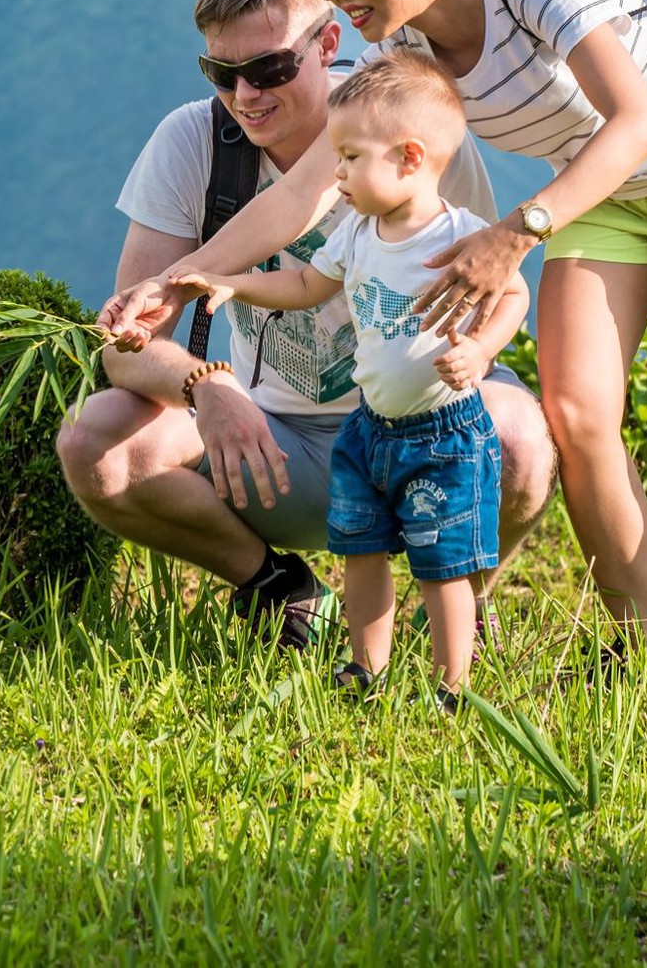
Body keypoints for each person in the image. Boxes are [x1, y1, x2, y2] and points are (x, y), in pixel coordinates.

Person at [103, 0, 647, 702]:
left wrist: (518, 232)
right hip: (600, 189)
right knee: (575, 411)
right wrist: (184, 277)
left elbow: (638, 124)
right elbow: (305, 193)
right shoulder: (405, 49)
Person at [56, 0, 555, 650]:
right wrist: (207, 387)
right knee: (95, 437)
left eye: (270, 68)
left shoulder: (410, 133)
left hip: (424, 432)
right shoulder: (190, 143)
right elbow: (127, 348)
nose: (245, 96)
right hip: (278, 446)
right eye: (221, 73)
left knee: (520, 439)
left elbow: (489, 288)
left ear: (327, 46)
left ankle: (453, 602)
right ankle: (277, 587)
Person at [173, 52, 527, 703]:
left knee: (443, 562)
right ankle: (367, 668)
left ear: (410, 159)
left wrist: (480, 353)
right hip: (371, 428)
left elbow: (512, 297)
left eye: (351, 158)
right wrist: (231, 281)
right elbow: (306, 284)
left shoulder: (460, 235)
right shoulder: (358, 233)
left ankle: (453, 685)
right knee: (361, 550)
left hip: (443, 427)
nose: (335, 173)